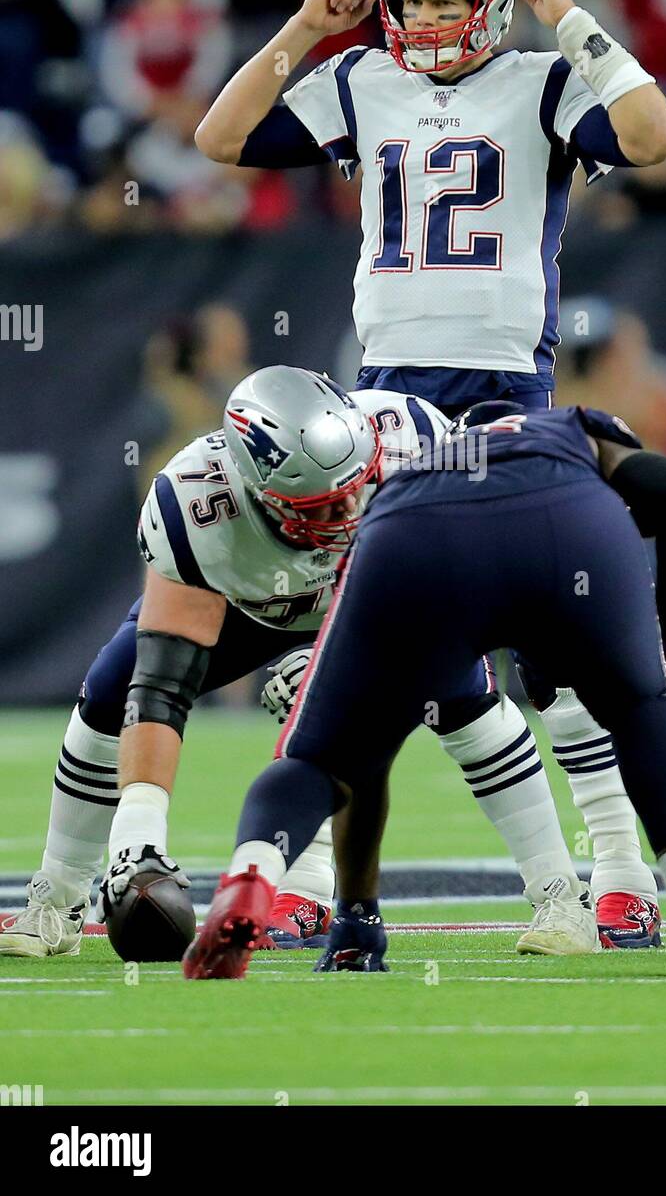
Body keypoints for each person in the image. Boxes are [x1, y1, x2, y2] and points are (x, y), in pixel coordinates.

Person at [194, 0, 666, 944]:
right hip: (383, 399)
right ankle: (319, 876)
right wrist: (301, 27)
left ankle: (618, 871)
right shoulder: (363, 78)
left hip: (508, 398)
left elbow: (653, 135)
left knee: (552, 655)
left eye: (444, 0)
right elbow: (220, 137)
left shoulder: (542, 81)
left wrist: (575, 19)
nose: (420, 19)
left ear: (494, 2)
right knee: (349, 646)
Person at [0, 369, 600, 961]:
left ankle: (559, 894)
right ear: (254, 489)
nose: (345, 513)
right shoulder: (196, 501)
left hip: (383, 587)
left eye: (354, 489)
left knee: (465, 699)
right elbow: (159, 689)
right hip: (252, 608)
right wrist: (138, 841)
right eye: (319, 506)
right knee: (112, 690)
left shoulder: (416, 441)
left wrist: (331, 660)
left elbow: (460, 594)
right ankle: (56, 900)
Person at [185, 401, 666, 980]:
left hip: (413, 536)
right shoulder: (574, 430)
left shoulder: (417, 468)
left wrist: (357, 916)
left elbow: (363, 774)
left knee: (329, 759)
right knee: (644, 710)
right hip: (566, 520)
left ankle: (251, 879)